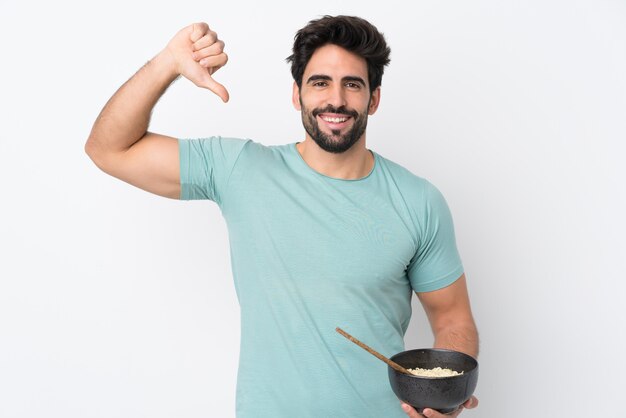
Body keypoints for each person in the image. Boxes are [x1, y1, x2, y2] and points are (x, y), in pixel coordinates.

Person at [85, 15, 479, 418]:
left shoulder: (419, 201)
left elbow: (452, 315)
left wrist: (447, 393)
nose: (336, 100)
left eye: (353, 84)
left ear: (374, 99)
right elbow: (108, 150)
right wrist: (167, 63)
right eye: (320, 82)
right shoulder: (240, 168)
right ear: (297, 94)